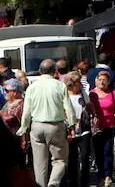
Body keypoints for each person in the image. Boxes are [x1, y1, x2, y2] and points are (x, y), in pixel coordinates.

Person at [18, 59, 76, 187]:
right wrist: (72, 125)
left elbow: (26, 112)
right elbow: (68, 107)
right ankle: (53, 183)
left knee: (39, 164)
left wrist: (23, 130)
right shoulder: (60, 85)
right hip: (56, 126)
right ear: (54, 72)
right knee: (60, 160)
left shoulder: (32, 87)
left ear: (39, 71)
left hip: (36, 126)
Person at [90, 70, 115, 187]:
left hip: (110, 126)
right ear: (96, 81)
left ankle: (108, 176)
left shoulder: (113, 93)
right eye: (100, 79)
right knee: (98, 153)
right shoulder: (91, 94)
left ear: (108, 82)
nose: (102, 82)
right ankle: (101, 176)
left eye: (104, 80)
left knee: (107, 151)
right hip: (96, 129)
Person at [64, 71, 93, 187]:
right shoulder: (64, 95)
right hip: (69, 130)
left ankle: (85, 181)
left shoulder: (83, 93)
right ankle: (73, 182)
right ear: (72, 83)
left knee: (85, 156)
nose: (80, 84)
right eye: (78, 82)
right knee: (72, 157)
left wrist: (94, 115)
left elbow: (90, 105)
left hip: (84, 129)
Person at [1, 78, 26, 156]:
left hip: (16, 140)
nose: (5, 93)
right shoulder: (7, 104)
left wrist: (24, 141)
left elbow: (24, 125)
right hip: (6, 138)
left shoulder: (21, 105)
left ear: (15, 92)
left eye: (7, 91)